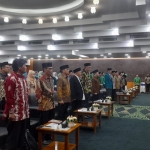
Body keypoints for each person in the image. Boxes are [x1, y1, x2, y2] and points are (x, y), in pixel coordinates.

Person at [3, 59, 29, 150]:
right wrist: (11, 112)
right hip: (15, 113)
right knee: (13, 137)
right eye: (25, 66)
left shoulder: (22, 78)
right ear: (19, 67)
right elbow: (9, 98)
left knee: (21, 135)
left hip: (23, 112)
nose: (26, 67)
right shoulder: (11, 79)